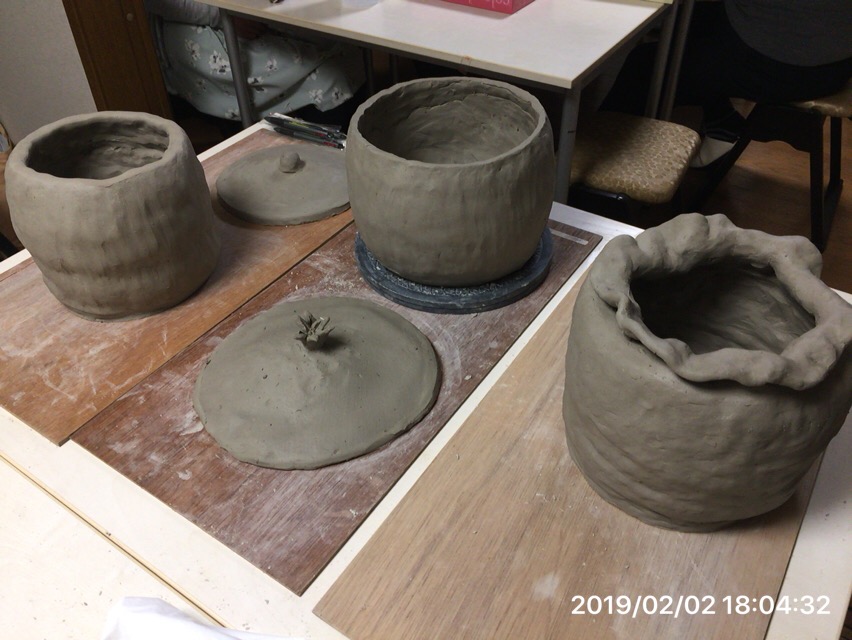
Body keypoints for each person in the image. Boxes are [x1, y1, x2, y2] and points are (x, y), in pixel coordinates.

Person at [602, 0, 852, 166]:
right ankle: (721, 118)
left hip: (789, 65)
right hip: (835, 58)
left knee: (645, 67)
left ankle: (602, 181)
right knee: (684, 19)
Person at [143, 0, 365, 122]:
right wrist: (221, 16)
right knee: (330, 76)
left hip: (261, 11)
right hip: (203, 23)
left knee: (344, 45)